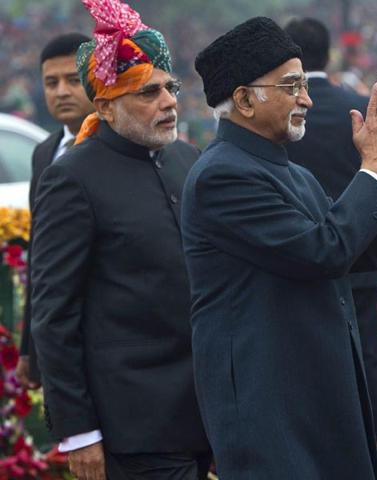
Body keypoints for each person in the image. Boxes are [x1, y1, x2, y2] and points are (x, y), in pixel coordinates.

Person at [182, 16, 377, 480]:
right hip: (269, 403)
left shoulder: (292, 172)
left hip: (313, 389)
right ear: (244, 99)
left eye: (304, 84)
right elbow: (322, 251)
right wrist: (370, 168)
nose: (306, 98)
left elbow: (356, 254)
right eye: (292, 86)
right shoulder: (220, 176)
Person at [30, 1, 210, 479]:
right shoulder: (71, 177)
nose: (169, 101)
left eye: (170, 88)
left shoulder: (186, 160)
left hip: (210, 415)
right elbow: (53, 313)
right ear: (105, 106)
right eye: (148, 93)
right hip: (133, 429)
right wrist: (78, 430)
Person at [283, 17, 377, 480]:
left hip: (300, 264)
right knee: (369, 361)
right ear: (329, 53)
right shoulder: (361, 109)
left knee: (313, 366)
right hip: (363, 261)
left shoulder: (283, 119)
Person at [15, 32, 95, 391]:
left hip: (111, 333)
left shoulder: (124, 147)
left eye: (73, 80)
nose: (61, 91)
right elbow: (40, 255)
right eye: (51, 82)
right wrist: (29, 348)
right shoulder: (44, 153)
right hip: (59, 329)